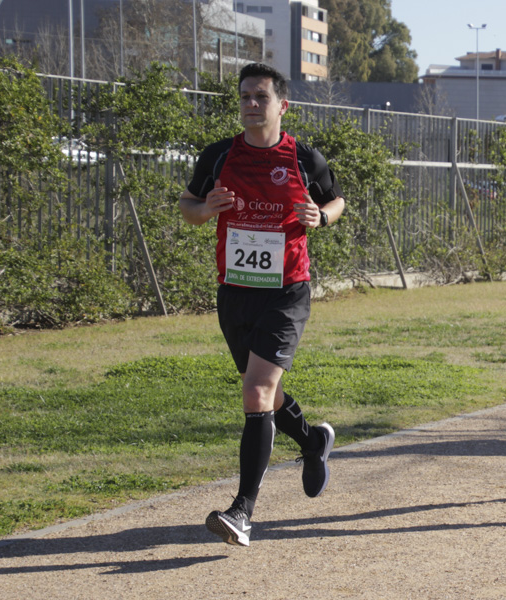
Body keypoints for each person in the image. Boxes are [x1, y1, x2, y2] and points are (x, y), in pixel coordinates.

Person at [179, 63, 345, 546]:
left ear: (282, 105)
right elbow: (187, 206)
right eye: (245, 96)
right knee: (266, 395)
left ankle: (242, 511)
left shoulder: (303, 159)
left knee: (256, 393)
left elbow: (337, 202)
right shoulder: (218, 156)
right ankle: (313, 443)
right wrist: (205, 208)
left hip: (286, 291)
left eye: (262, 97)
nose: (252, 103)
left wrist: (320, 216)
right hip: (235, 292)